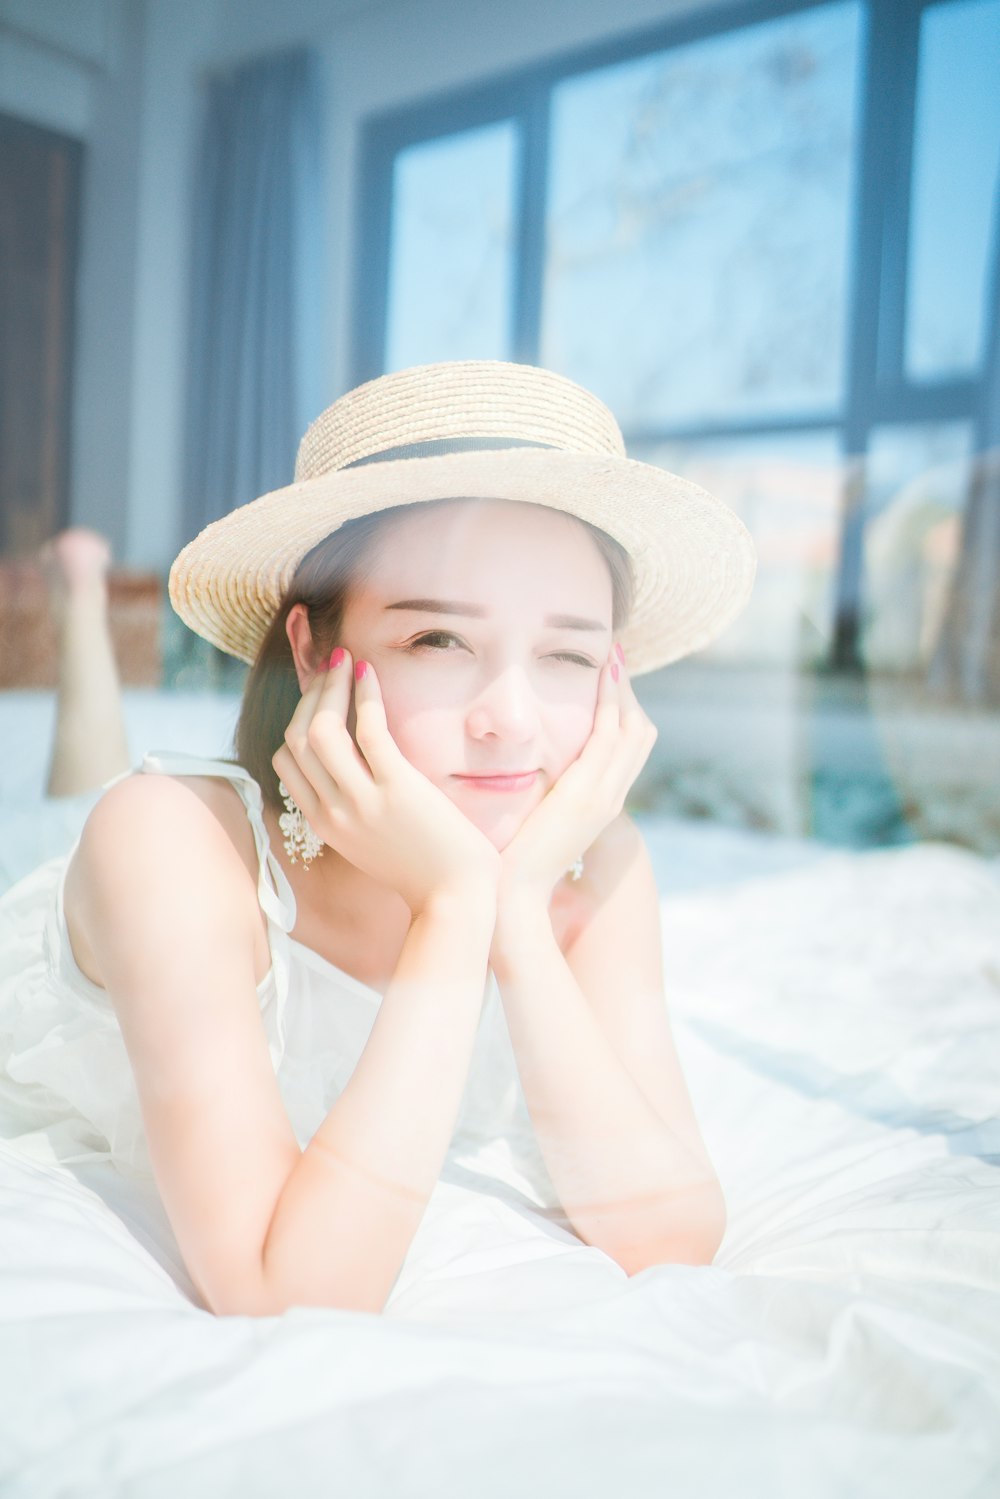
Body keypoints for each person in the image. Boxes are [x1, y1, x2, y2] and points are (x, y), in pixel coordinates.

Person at [0, 358, 756, 1320]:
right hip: (91, 868)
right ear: (315, 648)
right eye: (439, 641)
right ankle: (84, 611)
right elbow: (282, 1288)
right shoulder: (168, 842)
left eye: (567, 653)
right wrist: (453, 906)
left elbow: (672, 1236)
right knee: (81, 779)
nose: (512, 721)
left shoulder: (593, 868)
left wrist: (511, 907)